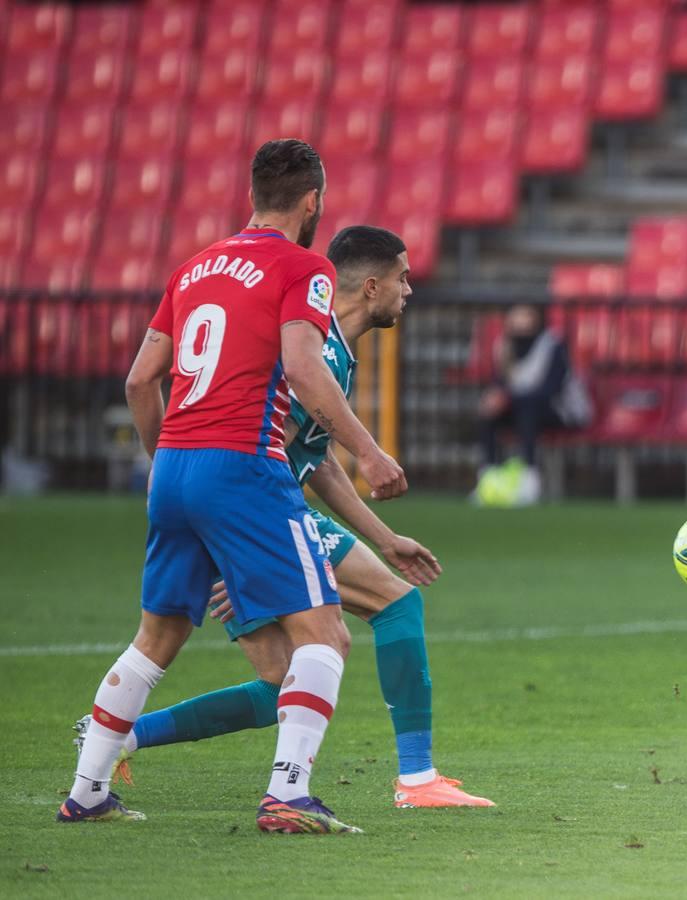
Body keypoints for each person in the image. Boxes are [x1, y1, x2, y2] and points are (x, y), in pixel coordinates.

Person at [73, 226, 493, 809]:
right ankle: (415, 779)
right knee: (395, 604)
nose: (410, 290)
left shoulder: (333, 354)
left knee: (278, 684)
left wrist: (384, 536)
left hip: (234, 511)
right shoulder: (314, 352)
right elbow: (272, 443)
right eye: (403, 278)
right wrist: (235, 551)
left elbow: (315, 463)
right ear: (371, 287)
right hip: (256, 514)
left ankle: (117, 738)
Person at [59, 140, 406, 833]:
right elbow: (305, 370)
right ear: (312, 202)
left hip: (175, 466)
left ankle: (87, 791)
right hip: (244, 462)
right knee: (326, 634)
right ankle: (288, 794)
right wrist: (368, 452)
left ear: (254, 195)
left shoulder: (194, 267)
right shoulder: (304, 267)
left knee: (155, 637)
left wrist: (168, 460)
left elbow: (138, 381)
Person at [473, 303, 590, 507]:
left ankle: (529, 481)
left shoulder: (553, 344)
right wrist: (495, 399)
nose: (520, 321)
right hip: (521, 408)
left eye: (525, 315)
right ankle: (487, 477)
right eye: (516, 315)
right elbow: (499, 383)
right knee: (489, 413)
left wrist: (508, 398)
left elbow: (551, 389)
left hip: (561, 411)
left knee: (529, 407)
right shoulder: (504, 346)